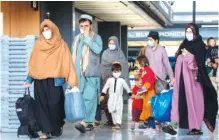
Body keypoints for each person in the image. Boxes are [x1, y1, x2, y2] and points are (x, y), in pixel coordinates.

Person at [24, 19, 78, 139]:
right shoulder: (38, 44)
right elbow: (34, 64)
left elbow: (68, 63)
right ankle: (45, 131)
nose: (45, 32)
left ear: (53, 30)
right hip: (39, 80)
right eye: (43, 30)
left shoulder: (61, 44)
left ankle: (56, 127)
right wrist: (29, 79)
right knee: (41, 106)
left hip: (55, 80)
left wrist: (72, 81)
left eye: (47, 30)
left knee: (55, 105)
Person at [162, 23, 218, 135]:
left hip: (193, 81)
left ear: (195, 32)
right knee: (177, 101)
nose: (188, 34)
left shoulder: (199, 45)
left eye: (190, 31)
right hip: (180, 80)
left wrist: (188, 55)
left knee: (193, 102)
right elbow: (178, 60)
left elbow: (199, 64)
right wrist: (174, 77)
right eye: (186, 31)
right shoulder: (183, 44)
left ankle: (195, 127)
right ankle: (173, 124)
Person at [71, 14, 103, 133]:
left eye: (86, 25)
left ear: (91, 26)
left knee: (89, 98)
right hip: (79, 74)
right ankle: (87, 122)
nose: (84, 27)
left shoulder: (96, 38)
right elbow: (74, 56)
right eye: (81, 25)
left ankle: (85, 122)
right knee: (81, 98)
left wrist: (87, 38)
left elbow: (97, 49)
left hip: (91, 73)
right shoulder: (77, 39)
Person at [100, 36, 129, 125]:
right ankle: (110, 119)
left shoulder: (120, 54)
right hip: (108, 80)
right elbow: (104, 64)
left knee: (117, 101)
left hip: (118, 81)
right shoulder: (105, 53)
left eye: (113, 43)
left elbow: (123, 65)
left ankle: (116, 120)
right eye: (110, 43)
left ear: (116, 44)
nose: (111, 45)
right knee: (106, 101)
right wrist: (114, 62)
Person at [100, 62, 132, 130]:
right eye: (115, 71)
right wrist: (102, 95)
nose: (116, 72)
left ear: (120, 71)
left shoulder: (122, 80)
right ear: (112, 71)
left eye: (118, 71)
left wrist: (130, 94)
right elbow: (105, 87)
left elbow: (127, 88)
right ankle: (115, 123)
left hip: (119, 98)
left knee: (119, 110)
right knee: (112, 110)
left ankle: (118, 124)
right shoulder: (109, 80)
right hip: (111, 98)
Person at [135, 56, 157, 133]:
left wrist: (139, 91)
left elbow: (147, 84)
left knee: (149, 108)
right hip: (146, 93)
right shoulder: (143, 70)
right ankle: (149, 126)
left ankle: (152, 127)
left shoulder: (148, 70)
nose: (136, 64)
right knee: (146, 108)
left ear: (142, 62)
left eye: (137, 63)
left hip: (150, 92)